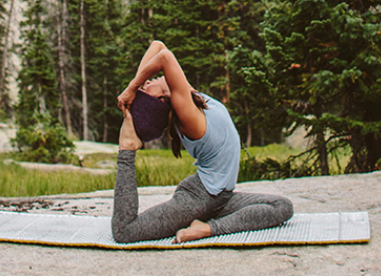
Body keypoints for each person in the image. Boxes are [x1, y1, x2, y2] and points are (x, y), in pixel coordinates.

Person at [113, 40, 293, 244]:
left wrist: (134, 89)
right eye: (146, 89)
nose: (146, 82)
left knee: (282, 206)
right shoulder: (185, 112)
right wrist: (132, 88)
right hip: (198, 200)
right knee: (125, 231)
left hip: (219, 198)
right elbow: (164, 58)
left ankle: (207, 224)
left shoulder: (186, 94)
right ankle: (127, 149)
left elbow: (158, 46)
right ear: (159, 101)